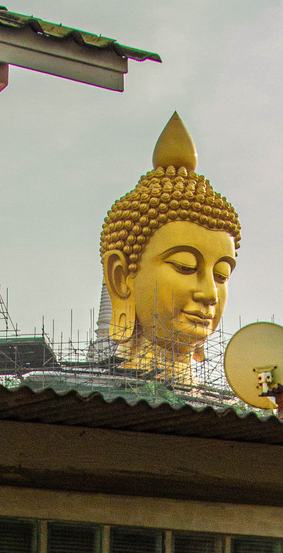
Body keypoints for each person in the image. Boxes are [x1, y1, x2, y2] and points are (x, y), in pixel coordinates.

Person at [99, 113, 241, 383]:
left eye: (221, 274)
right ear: (120, 278)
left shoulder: (240, 414)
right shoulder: (87, 397)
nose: (210, 293)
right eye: (185, 266)